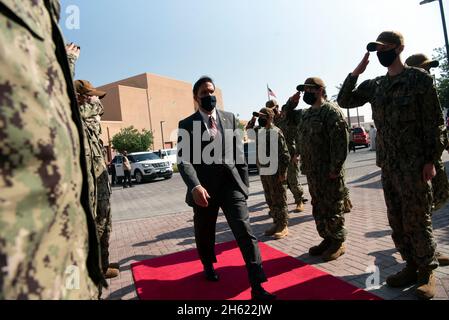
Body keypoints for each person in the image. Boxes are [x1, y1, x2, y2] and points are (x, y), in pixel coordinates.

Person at [0, 0, 105, 299]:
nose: (96, 103)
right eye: (93, 99)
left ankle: (97, 265)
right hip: (25, 270)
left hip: (64, 264)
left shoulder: (48, 18)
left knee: (99, 223)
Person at [338, 31, 447, 299]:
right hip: (389, 166)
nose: (380, 52)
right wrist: (357, 72)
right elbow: (343, 100)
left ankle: (426, 272)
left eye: (385, 47)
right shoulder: (375, 85)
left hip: (415, 166)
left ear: (399, 48)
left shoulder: (418, 79)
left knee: (417, 218)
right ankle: (410, 265)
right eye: (377, 49)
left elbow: (435, 123)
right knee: (396, 219)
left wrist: (431, 160)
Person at [177, 76, 275, 300]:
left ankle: (258, 285)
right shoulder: (186, 125)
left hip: (231, 186)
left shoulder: (230, 118)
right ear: (196, 97)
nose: (209, 96)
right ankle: (208, 264)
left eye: (211, 91)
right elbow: (184, 161)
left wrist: (244, 187)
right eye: (204, 92)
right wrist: (195, 186)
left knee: (245, 233)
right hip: (204, 190)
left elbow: (239, 154)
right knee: (204, 233)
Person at [293, 77, 349, 262]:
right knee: (319, 206)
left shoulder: (331, 112)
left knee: (333, 206)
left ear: (319, 90)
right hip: (313, 172)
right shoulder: (307, 114)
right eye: (304, 90)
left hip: (329, 172)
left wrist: (335, 168)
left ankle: (338, 242)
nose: (306, 93)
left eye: (309, 90)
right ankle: (327, 238)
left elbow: (340, 143)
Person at [73, 78, 119, 285]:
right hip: (87, 194)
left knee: (105, 226)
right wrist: (93, 105)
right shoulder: (75, 122)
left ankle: (102, 267)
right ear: (80, 98)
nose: (98, 103)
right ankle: (89, 275)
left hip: (101, 191)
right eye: (92, 96)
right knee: (91, 230)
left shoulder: (90, 126)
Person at [405, 53, 449, 266]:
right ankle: (425, 251)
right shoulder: (408, 93)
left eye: (429, 68)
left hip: (434, 158)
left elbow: (438, 124)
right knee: (421, 208)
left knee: (439, 196)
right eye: (424, 68)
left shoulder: (428, 90)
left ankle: (425, 242)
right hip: (418, 162)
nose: (428, 71)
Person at [251, 107, 290, 239]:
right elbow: (249, 129)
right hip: (264, 171)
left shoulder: (275, 132)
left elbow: (285, 155)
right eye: (259, 117)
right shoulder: (260, 131)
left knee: (279, 199)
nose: (260, 119)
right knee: (270, 199)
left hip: (275, 171)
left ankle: (283, 225)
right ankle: (276, 222)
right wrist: (254, 118)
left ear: (270, 117)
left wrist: (282, 173)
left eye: (263, 117)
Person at [268, 100, 307, 212]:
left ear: (277, 107)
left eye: (273, 108)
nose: (272, 111)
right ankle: (280, 206)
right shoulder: (271, 122)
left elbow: (298, 136)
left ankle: (299, 201)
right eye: (270, 109)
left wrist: (297, 153)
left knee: (293, 179)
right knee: (280, 182)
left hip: (290, 152)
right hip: (277, 155)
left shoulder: (287, 118)